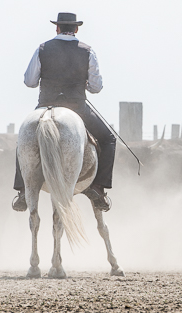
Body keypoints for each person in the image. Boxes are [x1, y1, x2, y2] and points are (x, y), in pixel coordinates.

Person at [13, 12, 115, 212]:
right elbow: (96, 87)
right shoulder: (88, 51)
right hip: (77, 107)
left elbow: (29, 82)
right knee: (109, 139)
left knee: (23, 140)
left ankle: (23, 192)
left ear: (57, 28)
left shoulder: (42, 48)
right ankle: (98, 189)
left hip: (45, 106)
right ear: (76, 29)